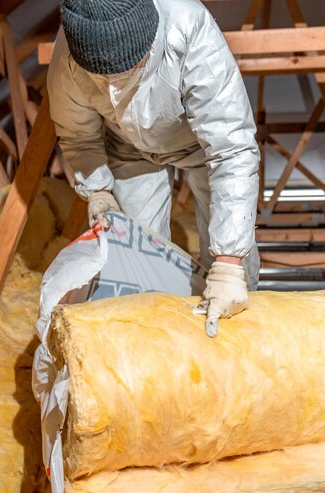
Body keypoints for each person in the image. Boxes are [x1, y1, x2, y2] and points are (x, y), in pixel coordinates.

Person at [48, 0, 260, 337]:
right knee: (141, 269)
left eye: (130, 70)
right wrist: (99, 190)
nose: (116, 87)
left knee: (230, 277)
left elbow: (230, 147)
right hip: (131, 150)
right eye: (103, 80)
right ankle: (160, 354)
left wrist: (230, 263)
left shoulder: (189, 27)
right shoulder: (69, 55)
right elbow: (78, 135)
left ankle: (237, 345)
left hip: (202, 146)